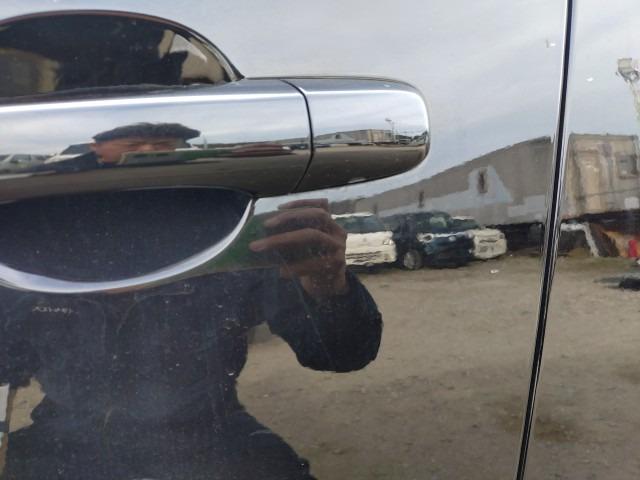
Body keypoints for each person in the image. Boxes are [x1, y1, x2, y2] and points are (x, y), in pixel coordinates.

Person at [0, 125, 382, 480]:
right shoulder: (35, 233)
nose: (147, 151)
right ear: (94, 147)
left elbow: (341, 354)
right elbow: (7, 362)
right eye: (130, 141)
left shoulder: (228, 231)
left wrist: (327, 285)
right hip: (62, 438)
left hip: (208, 433)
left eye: (163, 141)